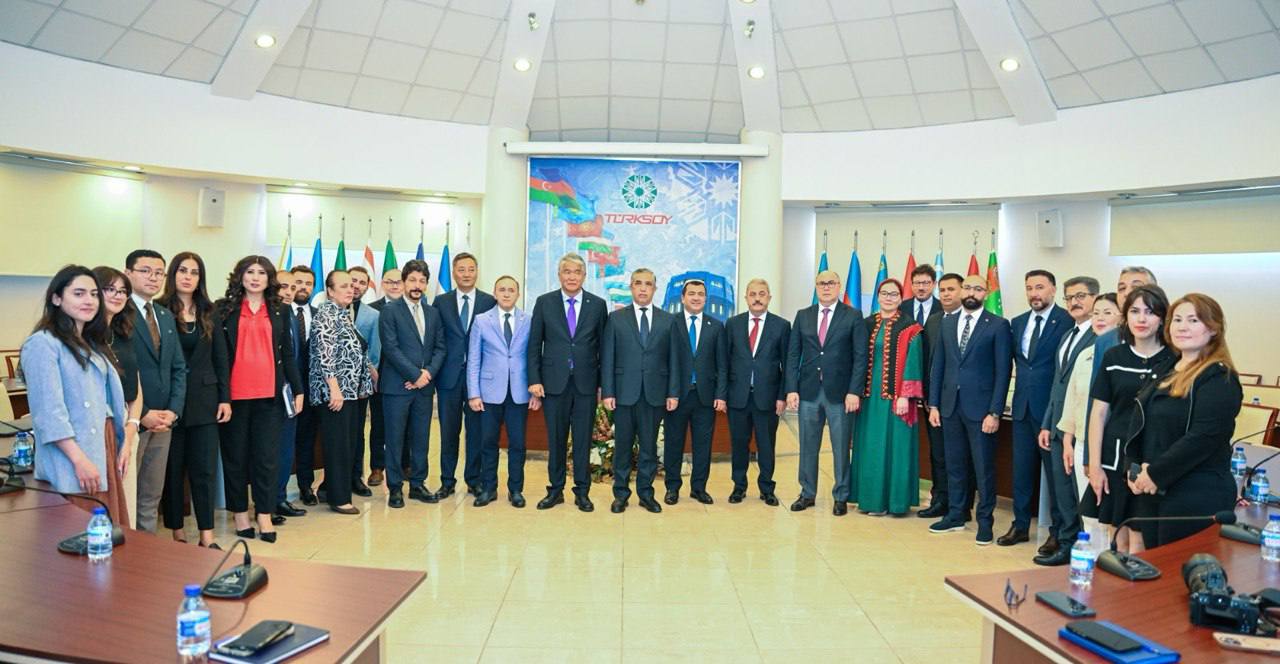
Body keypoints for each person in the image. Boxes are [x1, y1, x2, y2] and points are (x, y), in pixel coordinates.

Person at [1128, 294, 1242, 548]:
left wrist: (1155, 474)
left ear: (1213, 328)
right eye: (1177, 320)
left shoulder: (1219, 378)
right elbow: (1141, 424)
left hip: (1195, 493)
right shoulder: (1165, 369)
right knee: (1155, 566)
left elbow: (1203, 438)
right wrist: (1134, 468)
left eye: (1193, 320)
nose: (1182, 327)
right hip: (1153, 489)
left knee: (1183, 569)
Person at [21, 265, 130, 524]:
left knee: (108, 531)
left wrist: (122, 441)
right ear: (57, 298)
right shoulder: (43, 343)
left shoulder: (91, 342)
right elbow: (49, 413)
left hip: (102, 444)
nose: (89, 301)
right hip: (73, 452)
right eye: (79, 293)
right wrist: (79, 460)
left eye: (94, 294)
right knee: (80, 530)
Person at [213, 256, 304, 542]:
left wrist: (298, 389)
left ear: (269, 279)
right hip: (235, 398)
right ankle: (240, 514)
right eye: (250, 272)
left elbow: (287, 352)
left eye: (261, 273)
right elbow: (219, 356)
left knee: (266, 459)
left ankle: (264, 514)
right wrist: (222, 396)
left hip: (270, 396)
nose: (255, 277)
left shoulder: (280, 310)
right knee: (236, 459)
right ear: (240, 276)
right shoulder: (223, 309)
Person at [1082, 285, 1175, 555]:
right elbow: (1099, 413)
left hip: (1153, 459)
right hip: (1114, 458)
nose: (1141, 319)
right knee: (1117, 539)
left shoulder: (1174, 360)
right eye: (1135, 311)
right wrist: (1095, 465)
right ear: (1125, 317)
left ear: (1162, 318)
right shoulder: (1114, 356)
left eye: (1150, 312)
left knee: (1141, 542)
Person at [927, 275, 1012, 546]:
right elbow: (938, 366)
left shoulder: (998, 325)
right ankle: (955, 515)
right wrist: (934, 404)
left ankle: (985, 522)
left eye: (978, 288)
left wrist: (995, 412)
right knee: (954, 464)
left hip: (981, 411)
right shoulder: (947, 322)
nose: (971, 292)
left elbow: (1003, 372)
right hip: (949, 406)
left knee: (983, 468)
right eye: (967, 287)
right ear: (961, 290)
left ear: (985, 293)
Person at [157, 252, 230, 548]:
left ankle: (206, 535)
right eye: (182, 270)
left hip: (205, 401)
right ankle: (177, 530)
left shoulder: (210, 311)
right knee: (173, 469)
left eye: (194, 272)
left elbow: (221, 358)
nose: (188, 277)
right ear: (173, 274)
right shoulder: (159, 309)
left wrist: (225, 398)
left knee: (204, 470)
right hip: (170, 402)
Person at [527, 253, 607, 512]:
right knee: (556, 440)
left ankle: (582, 492)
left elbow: (604, 348)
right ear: (559, 275)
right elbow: (534, 345)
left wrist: (602, 385)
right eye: (567, 271)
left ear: (584, 276)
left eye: (577, 272)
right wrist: (534, 380)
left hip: (586, 384)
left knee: (583, 441)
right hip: (553, 384)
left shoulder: (598, 305)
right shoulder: (544, 302)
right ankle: (555, 490)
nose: (572, 276)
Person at [785, 270, 869, 515]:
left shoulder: (853, 315)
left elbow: (860, 357)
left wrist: (854, 391)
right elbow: (793, 355)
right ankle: (807, 493)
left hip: (841, 394)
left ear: (839, 286)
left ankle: (841, 495)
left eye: (831, 283)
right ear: (816, 286)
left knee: (841, 447)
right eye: (821, 283)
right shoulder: (803, 315)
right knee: (807, 445)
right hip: (809, 391)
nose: (826, 287)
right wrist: (791, 388)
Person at [1031, 276, 1099, 566]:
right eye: (1069, 297)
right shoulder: (1067, 335)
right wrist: (1048, 423)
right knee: (1063, 492)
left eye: (1081, 296)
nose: (1074, 302)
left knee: (1081, 493)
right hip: (1060, 426)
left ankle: (1084, 548)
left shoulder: (1101, 337)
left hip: (1083, 430)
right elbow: (1058, 385)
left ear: (1095, 299)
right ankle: (1067, 543)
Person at [601, 269, 680, 514]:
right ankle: (620, 495)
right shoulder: (616, 318)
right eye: (638, 283)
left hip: (654, 394)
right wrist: (608, 392)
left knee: (648, 448)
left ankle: (646, 494)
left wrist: (673, 393)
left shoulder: (668, 320)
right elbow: (608, 357)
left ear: (655, 288)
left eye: (648, 284)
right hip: (624, 393)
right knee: (622, 448)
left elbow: (674, 359)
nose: (643, 288)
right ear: (631, 287)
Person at [1003, 270, 1072, 548]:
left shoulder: (1067, 321)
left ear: (1053, 290)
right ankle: (1020, 525)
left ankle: (1057, 530)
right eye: (1029, 288)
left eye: (1040, 287)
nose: (1034, 293)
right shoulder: (1018, 322)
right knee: (1021, 471)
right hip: (1021, 407)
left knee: (1055, 475)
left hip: (1051, 411)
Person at [124, 249, 187, 533]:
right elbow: (120, 371)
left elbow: (178, 368)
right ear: (128, 273)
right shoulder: (118, 313)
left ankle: (146, 547)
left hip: (164, 421)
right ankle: (128, 550)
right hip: (133, 420)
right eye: (145, 271)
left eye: (159, 273)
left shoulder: (165, 315)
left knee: (151, 494)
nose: (153, 277)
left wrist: (173, 411)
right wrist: (144, 413)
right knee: (128, 494)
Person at [851, 278, 924, 516]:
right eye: (884, 293)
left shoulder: (910, 327)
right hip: (869, 399)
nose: (888, 298)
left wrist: (905, 396)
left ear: (901, 298)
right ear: (878, 296)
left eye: (894, 294)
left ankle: (894, 503)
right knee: (870, 448)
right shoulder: (866, 324)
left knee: (895, 448)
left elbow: (913, 362)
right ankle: (870, 500)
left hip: (896, 400)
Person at [378, 260, 446, 508]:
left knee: (421, 438)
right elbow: (391, 348)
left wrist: (426, 374)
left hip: (424, 388)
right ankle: (395, 487)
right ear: (404, 282)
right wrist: (414, 375)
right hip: (396, 387)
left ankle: (417, 484)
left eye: (422, 281)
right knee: (395, 440)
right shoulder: (390, 311)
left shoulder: (433, 313)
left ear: (426, 284)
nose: (417, 285)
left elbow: (440, 348)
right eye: (412, 280)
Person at [468, 275, 539, 508]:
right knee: (488, 442)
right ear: (495, 293)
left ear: (518, 294)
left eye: (511, 290)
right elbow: (474, 359)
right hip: (488, 393)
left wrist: (535, 391)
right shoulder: (481, 320)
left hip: (519, 392)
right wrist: (473, 393)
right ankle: (489, 488)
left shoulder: (529, 320)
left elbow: (534, 356)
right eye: (502, 290)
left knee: (517, 443)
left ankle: (515, 490)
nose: (506, 294)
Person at [310, 270, 374, 515]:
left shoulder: (342, 313)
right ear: (330, 291)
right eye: (344, 286)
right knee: (339, 446)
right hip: (335, 394)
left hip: (349, 392)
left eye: (352, 286)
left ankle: (328, 489)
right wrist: (334, 390)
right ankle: (339, 498)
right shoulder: (327, 314)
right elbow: (325, 355)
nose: (351, 289)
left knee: (347, 443)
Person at [433, 252, 496, 499]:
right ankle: (447, 481)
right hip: (448, 378)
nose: (466, 274)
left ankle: (473, 480)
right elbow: (435, 338)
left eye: (471, 269)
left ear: (477, 272)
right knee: (448, 432)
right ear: (454, 273)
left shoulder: (489, 301)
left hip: (478, 380)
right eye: (461, 269)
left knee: (476, 432)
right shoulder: (441, 302)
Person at [724, 278, 790, 506]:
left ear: (769, 297)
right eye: (753, 294)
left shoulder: (781, 326)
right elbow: (725, 362)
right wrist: (723, 395)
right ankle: (738, 486)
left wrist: (782, 396)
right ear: (746, 298)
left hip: (768, 398)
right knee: (738, 444)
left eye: (762, 294)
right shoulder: (733, 324)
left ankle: (767, 488)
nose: (757, 298)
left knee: (766, 445)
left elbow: (787, 365)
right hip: (737, 396)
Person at [664, 279, 727, 505]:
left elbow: (722, 365)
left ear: (705, 298)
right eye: (691, 293)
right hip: (676, 396)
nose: (696, 297)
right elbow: (665, 361)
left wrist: (721, 395)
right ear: (683, 298)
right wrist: (669, 392)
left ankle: (699, 488)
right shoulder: (670, 323)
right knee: (673, 443)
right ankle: (672, 488)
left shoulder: (716, 326)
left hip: (705, 397)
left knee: (703, 445)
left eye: (701, 294)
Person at [1058, 294, 1122, 501]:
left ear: (1122, 319)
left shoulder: (1126, 357)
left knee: (1108, 507)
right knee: (1086, 508)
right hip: (1082, 443)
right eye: (1096, 313)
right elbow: (1072, 400)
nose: (1099, 318)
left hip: (1112, 445)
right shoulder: (1085, 354)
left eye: (1107, 313)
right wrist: (1067, 441)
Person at [93, 266, 143, 518]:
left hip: (127, 424)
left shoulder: (124, 333)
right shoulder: (84, 337)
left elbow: (136, 386)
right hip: (99, 427)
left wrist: (131, 431)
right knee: (105, 506)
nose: (117, 295)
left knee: (127, 506)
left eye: (123, 291)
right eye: (109, 289)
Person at [918, 272, 969, 519]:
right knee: (938, 453)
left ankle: (962, 506)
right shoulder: (934, 320)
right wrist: (928, 397)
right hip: (936, 402)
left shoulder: (971, 320)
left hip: (964, 402)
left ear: (963, 291)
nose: (946, 294)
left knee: (961, 457)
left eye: (952, 289)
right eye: (943, 290)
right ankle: (940, 499)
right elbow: (929, 362)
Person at [342, 266, 379, 499]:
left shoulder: (372, 315)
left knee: (356, 432)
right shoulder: (328, 310)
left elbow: (374, 351)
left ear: (367, 287)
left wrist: (368, 380)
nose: (356, 286)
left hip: (359, 384)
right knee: (336, 434)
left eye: (362, 282)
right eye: (352, 281)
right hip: (332, 384)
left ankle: (356, 477)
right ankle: (334, 479)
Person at [274, 276, 309, 520]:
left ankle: (280, 497)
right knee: (270, 451)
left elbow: (292, 358)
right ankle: (267, 501)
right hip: (269, 393)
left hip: (290, 394)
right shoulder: (266, 317)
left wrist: (298, 390)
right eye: (283, 286)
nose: (289, 292)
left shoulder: (291, 316)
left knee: (286, 449)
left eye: (292, 288)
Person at [366, 267, 402, 487]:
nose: (395, 286)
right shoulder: (372, 310)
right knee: (378, 424)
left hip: (405, 376)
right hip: (379, 376)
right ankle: (377, 467)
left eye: (399, 282)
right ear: (382, 284)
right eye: (390, 282)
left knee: (406, 424)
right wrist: (373, 371)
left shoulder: (412, 308)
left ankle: (405, 465)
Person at [288, 265, 320, 506]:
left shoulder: (319, 314)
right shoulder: (279, 312)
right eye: (298, 282)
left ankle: (306, 486)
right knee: (283, 440)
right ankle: (277, 491)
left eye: (308, 284)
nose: (303, 287)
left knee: (307, 439)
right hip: (284, 388)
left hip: (311, 389)